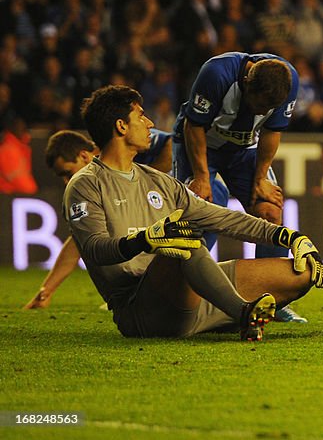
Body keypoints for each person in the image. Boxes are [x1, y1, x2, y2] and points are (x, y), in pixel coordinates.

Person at [64, 85, 323, 340]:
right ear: (121, 126)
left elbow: (223, 218)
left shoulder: (159, 181)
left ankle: (221, 314)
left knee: (301, 273)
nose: (150, 123)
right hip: (141, 308)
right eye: (141, 115)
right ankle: (242, 313)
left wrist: (290, 237)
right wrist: (143, 240)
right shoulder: (86, 184)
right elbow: (95, 248)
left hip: (190, 298)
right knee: (182, 239)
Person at [171, 52, 309, 323]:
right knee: (193, 214)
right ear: (247, 82)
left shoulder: (288, 80)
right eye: (258, 104)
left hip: (244, 150)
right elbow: (194, 125)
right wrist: (200, 175)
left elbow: (271, 132)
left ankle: (272, 300)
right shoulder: (216, 73)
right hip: (199, 147)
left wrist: (260, 179)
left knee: (271, 212)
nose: (260, 112)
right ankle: (175, 292)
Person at [24, 129, 228, 310]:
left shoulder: (121, 144)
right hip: (175, 203)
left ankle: (213, 305)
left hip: (201, 190)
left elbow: (169, 143)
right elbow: (79, 243)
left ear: (84, 155)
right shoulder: (98, 184)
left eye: (68, 173)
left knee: (185, 264)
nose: (67, 182)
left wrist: (145, 184)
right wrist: (47, 290)